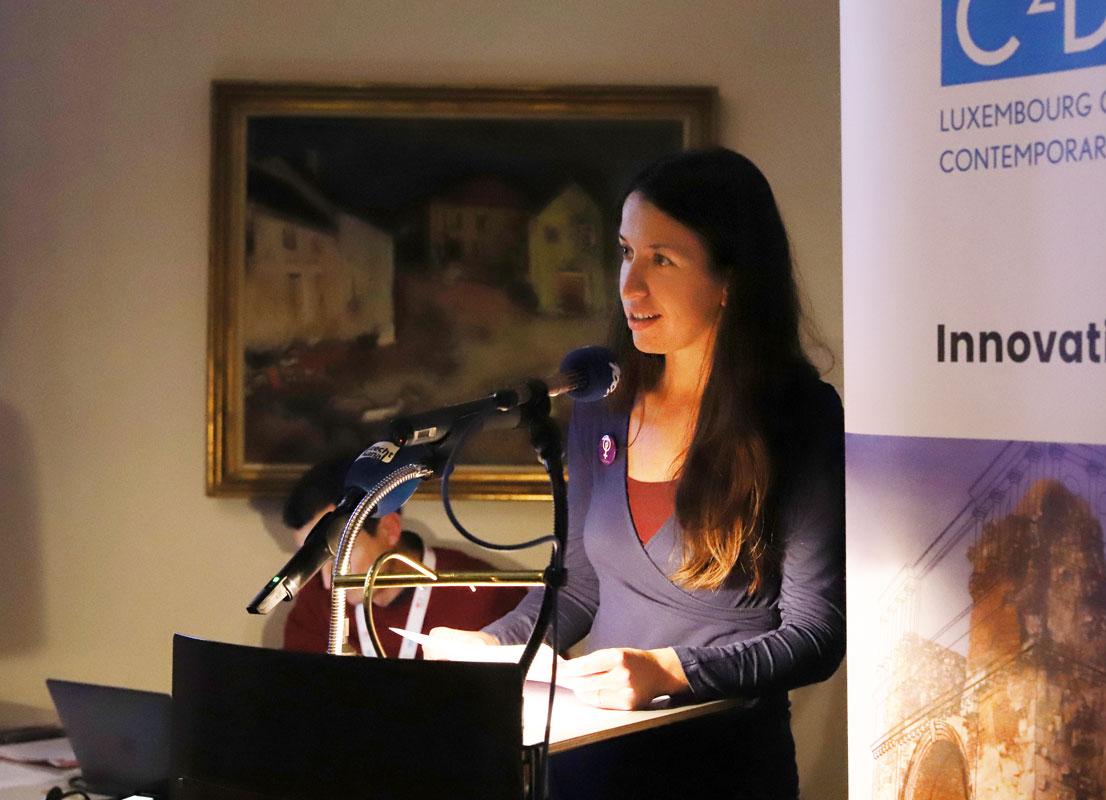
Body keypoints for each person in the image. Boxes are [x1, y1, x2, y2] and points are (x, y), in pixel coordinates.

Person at [427, 147, 846, 798]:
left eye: (662, 259)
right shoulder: (601, 403)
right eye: (626, 253)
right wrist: (493, 646)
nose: (630, 286)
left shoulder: (799, 416)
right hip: (589, 769)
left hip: (723, 774)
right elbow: (578, 589)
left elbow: (815, 635)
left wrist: (672, 671)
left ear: (730, 279)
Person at [280, 456, 527, 657]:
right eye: (316, 559)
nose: (327, 582)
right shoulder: (316, 602)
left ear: (389, 529)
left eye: (339, 556)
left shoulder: (482, 592)